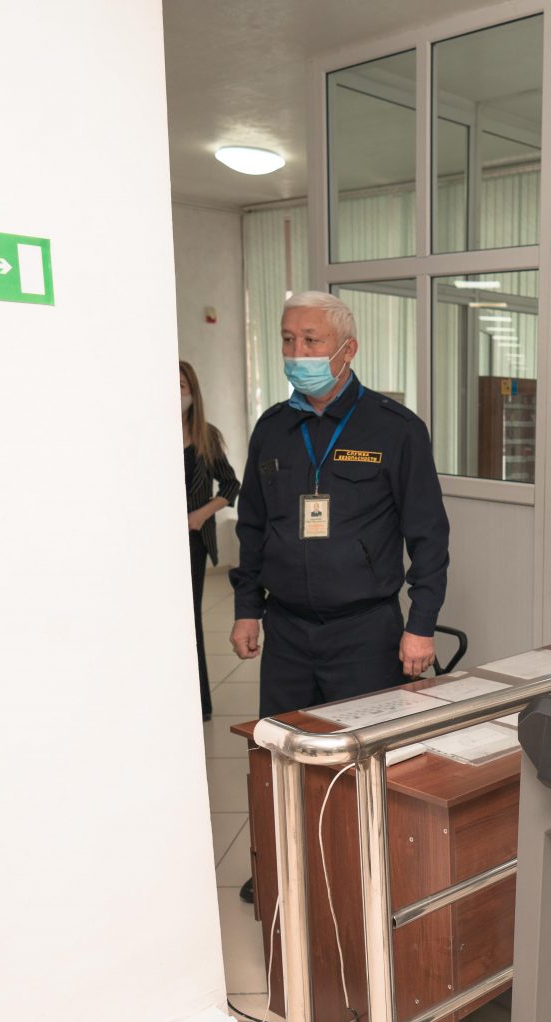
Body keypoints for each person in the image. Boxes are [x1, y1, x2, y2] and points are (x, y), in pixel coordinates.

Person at [230, 291, 449, 901]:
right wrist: (247, 608)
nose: (296, 352)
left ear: (347, 350)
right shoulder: (273, 429)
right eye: (287, 339)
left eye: (311, 340)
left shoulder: (394, 429)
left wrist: (422, 623)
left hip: (364, 631)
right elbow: (252, 527)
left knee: (361, 759)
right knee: (280, 755)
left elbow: (429, 536)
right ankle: (282, 871)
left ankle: (360, 881)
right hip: (287, 630)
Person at [182, 361, 240, 721]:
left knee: (189, 618)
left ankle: (199, 704)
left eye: (182, 386)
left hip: (193, 540)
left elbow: (231, 485)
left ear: (193, 391)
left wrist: (201, 514)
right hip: (152, 546)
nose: (176, 394)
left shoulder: (206, 435)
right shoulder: (148, 433)